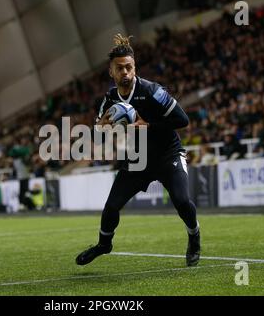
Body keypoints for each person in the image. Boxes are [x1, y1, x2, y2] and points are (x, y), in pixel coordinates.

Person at [76, 34, 200, 267]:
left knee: (182, 201)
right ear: (111, 72)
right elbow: (98, 129)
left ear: (135, 68)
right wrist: (101, 127)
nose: (125, 72)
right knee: (111, 207)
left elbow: (183, 120)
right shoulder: (110, 98)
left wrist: (149, 125)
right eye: (120, 68)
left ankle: (194, 238)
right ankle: (104, 245)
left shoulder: (152, 91)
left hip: (167, 155)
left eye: (129, 67)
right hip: (137, 160)